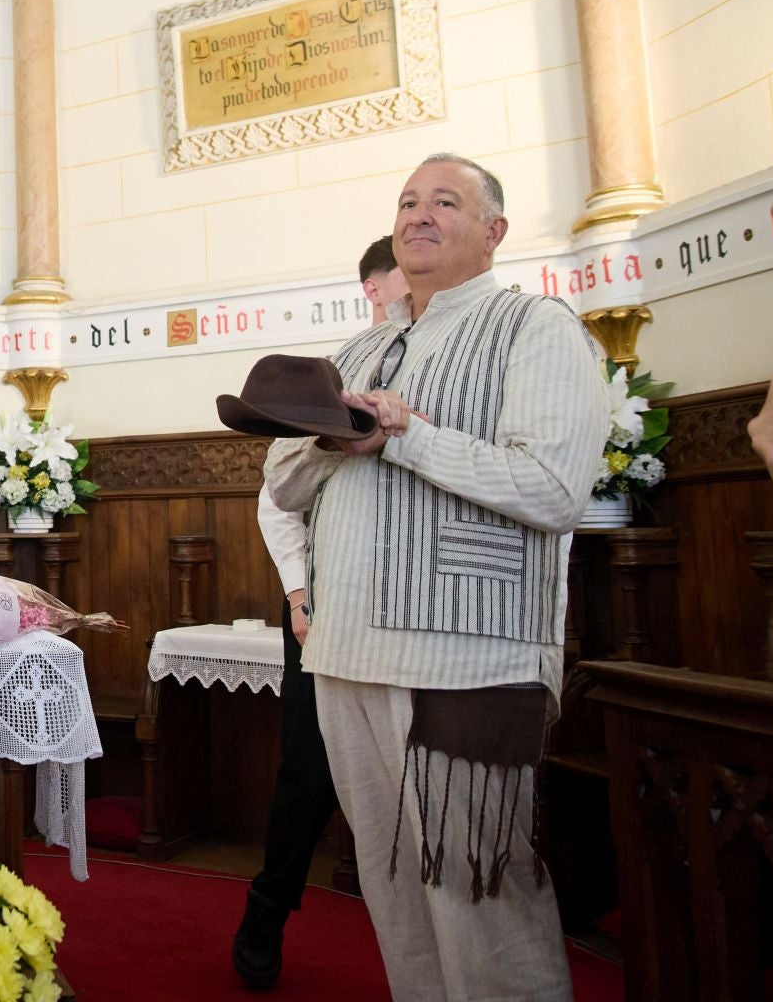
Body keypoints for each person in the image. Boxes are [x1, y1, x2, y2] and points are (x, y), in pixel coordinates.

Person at [263, 154, 608, 1001]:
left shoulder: (535, 327)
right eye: (408, 201)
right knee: (394, 891)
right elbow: (283, 485)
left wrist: (406, 436)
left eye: (445, 202)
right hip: (345, 652)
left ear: (494, 231)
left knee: (478, 894)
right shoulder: (360, 348)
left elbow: (554, 488)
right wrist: (335, 441)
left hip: (466, 658)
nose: (419, 214)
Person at [233, 235, 409, 989]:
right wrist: (301, 596)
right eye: (404, 276)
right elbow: (279, 502)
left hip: (407, 602)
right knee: (308, 770)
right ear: (374, 287)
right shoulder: (336, 371)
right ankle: (266, 911)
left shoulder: (450, 360)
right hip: (323, 601)